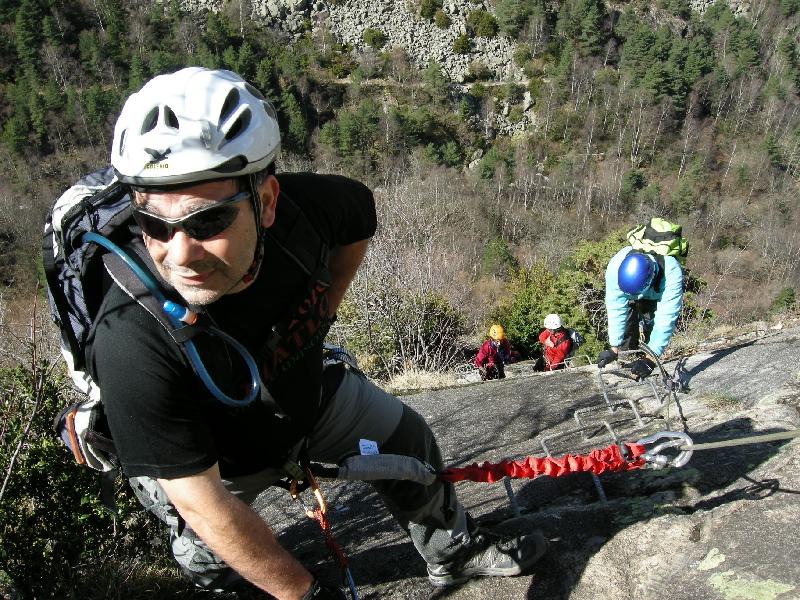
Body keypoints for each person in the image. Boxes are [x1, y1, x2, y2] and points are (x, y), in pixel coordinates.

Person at [82, 67, 547, 599]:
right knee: (209, 560)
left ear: (268, 200)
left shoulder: (315, 210)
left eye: (207, 221)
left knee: (409, 443)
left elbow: (358, 223)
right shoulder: (129, 336)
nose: (180, 254)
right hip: (218, 462)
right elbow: (200, 499)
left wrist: (321, 313)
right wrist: (302, 592)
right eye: (155, 226)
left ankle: (453, 552)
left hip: (306, 402)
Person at [597, 245, 683, 379]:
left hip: (655, 293)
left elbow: (666, 319)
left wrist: (650, 358)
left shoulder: (671, 272)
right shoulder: (615, 269)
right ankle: (634, 355)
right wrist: (614, 348)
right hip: (635, 288)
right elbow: (616, 309)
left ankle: (649, 356)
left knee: (651, 324)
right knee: (628, 324)